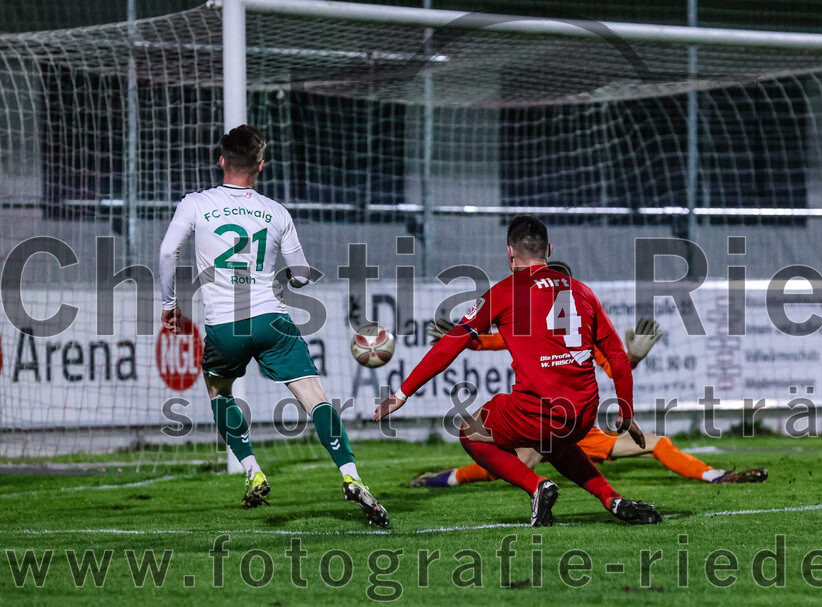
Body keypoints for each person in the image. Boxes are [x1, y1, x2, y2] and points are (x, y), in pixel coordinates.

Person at [159, 125, 388, 526]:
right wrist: (289, 277)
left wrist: (170, 303)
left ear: (221, 160)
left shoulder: (196, 203)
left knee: (218, 391)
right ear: (261, 166)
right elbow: (300, 274)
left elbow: (167, 251)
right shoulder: (276, 211)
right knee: (315, 397)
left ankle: (252, 469)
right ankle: (350, 476)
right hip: (271, 319)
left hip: (225, 327)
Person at [375, 216, 661, 526]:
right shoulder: (582, 292)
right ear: (548, 250)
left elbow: (448, 347)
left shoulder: (504, 292)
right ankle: (612, 499)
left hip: (541, 409)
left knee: (471, 432)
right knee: (553, 444)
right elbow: (618, 357)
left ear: (510, 252)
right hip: (583, 413)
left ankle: (536, 486)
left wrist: (402, 393)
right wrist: (626, 412)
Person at [411, 262, 767, 489]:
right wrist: (467, 342)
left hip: (562, 424)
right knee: (517, 461)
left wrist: (633, 358)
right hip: (571, 422)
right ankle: (446, 479)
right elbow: (614, 367)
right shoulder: (557, 325)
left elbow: (615, 366)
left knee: (513, 460)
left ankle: (715, 474)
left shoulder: (559, 327)